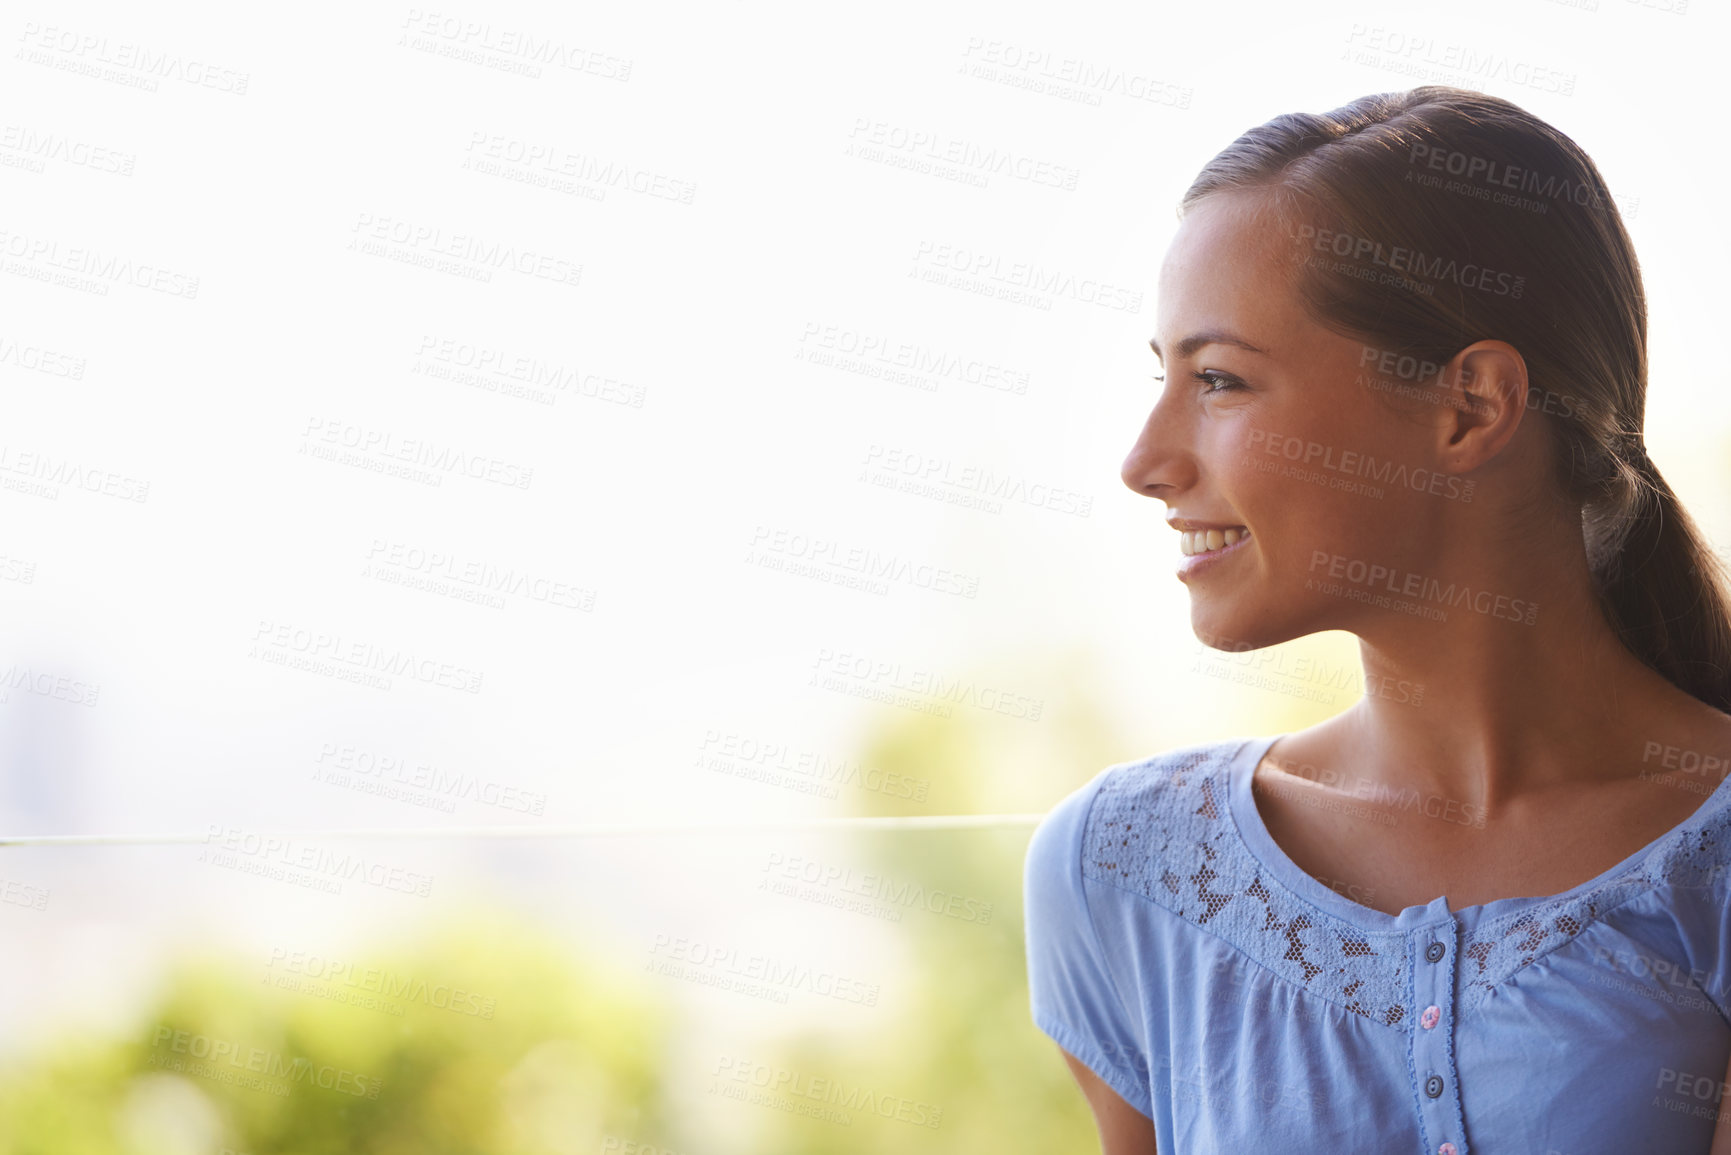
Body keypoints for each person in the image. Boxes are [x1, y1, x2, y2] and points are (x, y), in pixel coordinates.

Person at [1023, 85, 1731, 1154]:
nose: (1144, 463)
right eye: (1164, 376)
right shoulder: (1123, 868)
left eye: (1219, 380)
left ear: (1472, 406)